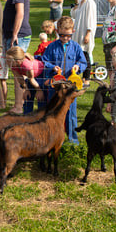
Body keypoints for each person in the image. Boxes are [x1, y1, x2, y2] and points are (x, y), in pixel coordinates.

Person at [41, 16, 87, 144]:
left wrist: (78, 67)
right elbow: (44, 61)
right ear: (57, 31)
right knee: (53, 110)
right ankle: (52, 136)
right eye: (62, 35)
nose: (65, 38)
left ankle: (72, 139)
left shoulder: (76, 47)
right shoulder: (51, 47)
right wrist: (52, 67)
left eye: (68, 35)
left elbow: (83, 61)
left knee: (71, 112)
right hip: (56, 85)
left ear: (73, 31)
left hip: (70, 86)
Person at [2, 0, 33, 111]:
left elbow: (20, 13)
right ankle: (19, 104)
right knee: (16, 71)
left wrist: (14, 34)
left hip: (18, 36)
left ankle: (19, 106)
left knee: (18, 71)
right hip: (16, 35)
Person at [6, 46, 46, 114]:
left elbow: (32, 79)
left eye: (8, 61)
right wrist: (26, 89)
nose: (7, 62)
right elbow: (20, 80)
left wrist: (39, 91)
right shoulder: (13, 66)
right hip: (32, 78)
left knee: (40, 98)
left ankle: (41, 116)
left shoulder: (26, 65)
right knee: (27, 97)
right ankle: (27, 116)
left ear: (17, 61)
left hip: (42, 75)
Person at [71, 0, 96, 83]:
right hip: (78, 31)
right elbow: (74, 15)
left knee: (85, 54)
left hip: (85, 32)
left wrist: (88, 33)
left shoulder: (90, 2)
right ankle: (76, 75)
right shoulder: (82, 2)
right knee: (79, 53)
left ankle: (87, 78)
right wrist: (76, 3)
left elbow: (91, 19)